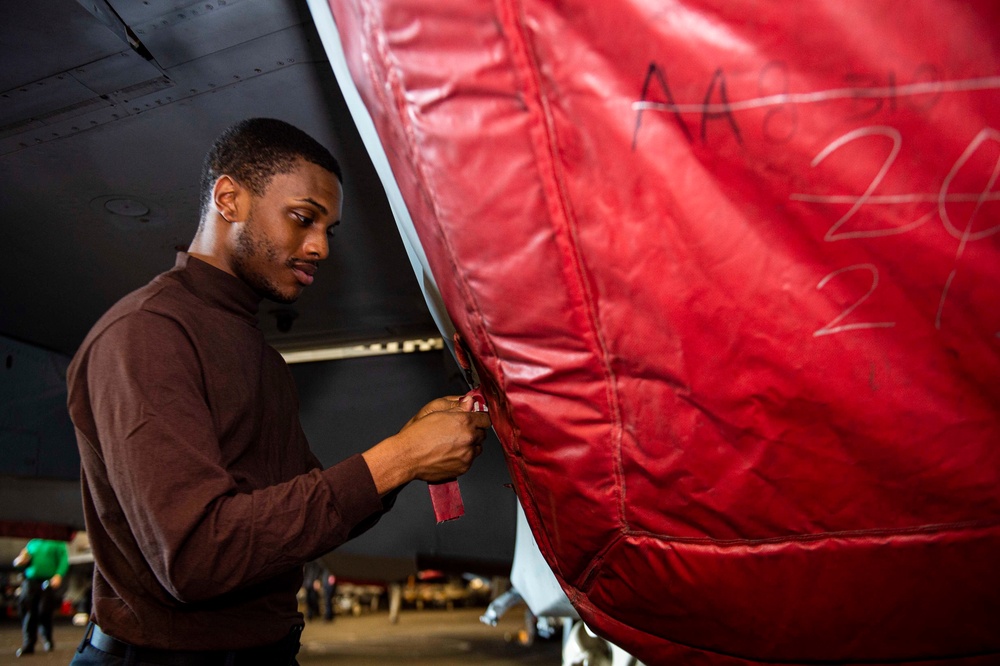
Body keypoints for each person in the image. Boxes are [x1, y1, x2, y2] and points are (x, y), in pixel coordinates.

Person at [65, 118, 490, 665]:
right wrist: (398, 459)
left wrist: (410, 451)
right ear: (229, 199)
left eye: (328, 231)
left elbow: (298, 518)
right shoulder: (147, 334)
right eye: (303, 219)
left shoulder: (259, 354)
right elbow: (198, 558)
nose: (320, 247)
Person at [13, 538, 69, 657]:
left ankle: (47, 637)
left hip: (47, 581)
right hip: (31, 581)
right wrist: (20, 562)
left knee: (44, 611)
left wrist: (59, 575)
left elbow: (64, 560)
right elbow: (22, 563)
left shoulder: (57, 542)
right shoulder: (32, 543)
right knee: (29, 612)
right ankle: (29, 643)